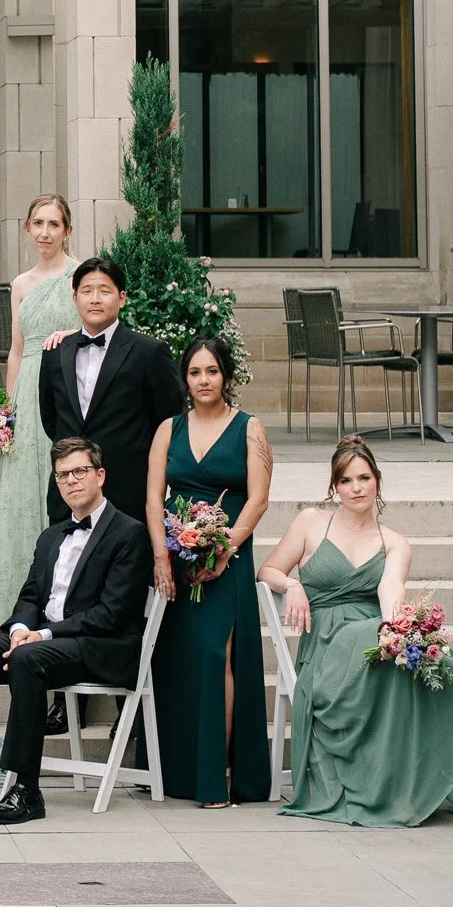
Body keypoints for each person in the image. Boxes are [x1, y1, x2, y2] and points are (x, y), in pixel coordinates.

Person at [0, 434, 151, 826]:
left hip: (97, 647)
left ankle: (26, 789)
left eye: (79, 472)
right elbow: (30, 595)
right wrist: (22, 626)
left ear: (100, 475)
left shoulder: (129, 533)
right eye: (62, 475)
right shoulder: (51, 535)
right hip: (40, 642)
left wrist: (44, 636)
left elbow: (113, 614)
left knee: (27, 658)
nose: (71, 481)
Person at [263, 435, 453, 828]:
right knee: (384, 639)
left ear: (377, 481)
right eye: (347, 481)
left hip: (370, 637)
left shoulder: (394, 542)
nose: (356, 488)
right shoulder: (311, 522)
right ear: (335, 486)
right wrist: (293, 585)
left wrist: (400, 633)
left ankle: (425, 774)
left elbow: (390, 591)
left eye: (364, 478)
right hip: (327, 645)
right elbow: (268, 570)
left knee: (433, 658)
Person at [146, 336, 273, 806]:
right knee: (180, 660)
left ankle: (214, 774)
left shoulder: (250, 428)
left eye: (212, 371)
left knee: (218, 657)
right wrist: (162, 555)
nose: (203, 380)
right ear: (186, 378)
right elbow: (152, 497)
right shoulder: (168, 429)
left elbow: (258, 498)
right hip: (177, 561)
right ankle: (176, 772)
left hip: (229, 560)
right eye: (195, 372)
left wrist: (225, 548)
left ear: (226, 376)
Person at [0, 194, 79, 627]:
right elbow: (16, 350)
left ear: (67, 230)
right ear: (27, 229)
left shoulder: (81, 275)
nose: (45, 232)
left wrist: (72, 332)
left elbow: (99, 323)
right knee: (22, 492)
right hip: (27, 390)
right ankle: (16, 603)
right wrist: (4, 412)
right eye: (37, 223)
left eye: (53, 224)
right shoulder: (21, 283)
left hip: (65, 383)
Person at [38, 255, 184, 526]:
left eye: (104, 291)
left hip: (127, 493)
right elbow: (51, 419)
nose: (95, 299)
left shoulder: (149, 352)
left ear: (122, 297)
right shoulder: (55, 352)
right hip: (68, 495)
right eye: (87, 291)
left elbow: (168, 423)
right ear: (75, 298)